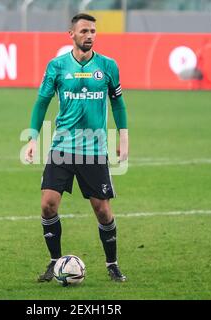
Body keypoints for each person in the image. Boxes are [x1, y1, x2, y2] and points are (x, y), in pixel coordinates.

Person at [25, 13, 128, 282]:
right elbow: (41, 101)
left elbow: (118, 103)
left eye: (93, 31)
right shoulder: (57, 66)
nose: (89, 35)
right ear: (71, 34)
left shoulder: (108, 66)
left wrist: (123, 137)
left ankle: (112, 263)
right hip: (62, 146)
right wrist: (33, 137)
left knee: (103, 210)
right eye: (84, 31)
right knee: (48, 205)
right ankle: (54, 262)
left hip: (94, 150)